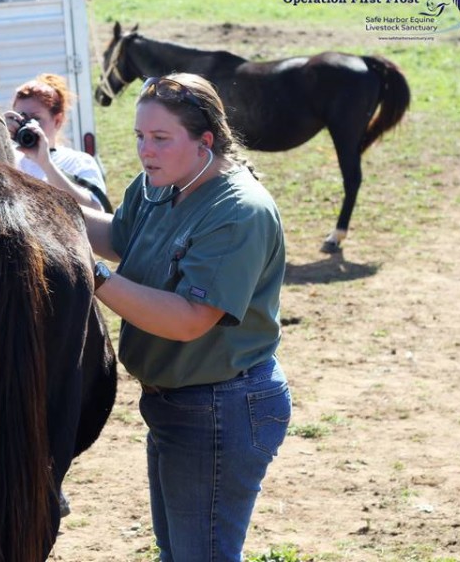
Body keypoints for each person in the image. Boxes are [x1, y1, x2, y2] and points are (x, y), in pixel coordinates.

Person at [81, 73, 291, 561]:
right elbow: (117, 238)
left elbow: (190, 320)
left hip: (220, 408)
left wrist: (92, 276)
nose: (144, 151)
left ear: (205, 141)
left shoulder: (238, 210)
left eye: (160, 138)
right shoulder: (163, 183)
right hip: (181, 404)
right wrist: (43, 201)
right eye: (139, 137)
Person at [5, 73, 110, 211]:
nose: (27, 126)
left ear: (57, 121)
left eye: (35, 119)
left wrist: (46, 164)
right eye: (21, 118)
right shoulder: (7, 159)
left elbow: (97, 209)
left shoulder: (78, 161)